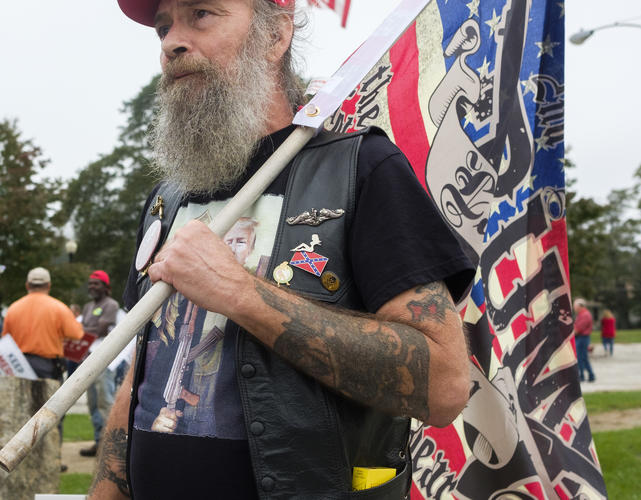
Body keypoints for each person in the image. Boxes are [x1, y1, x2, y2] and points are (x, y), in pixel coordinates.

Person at [90, 1, 475, 498]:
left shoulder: (361, 171)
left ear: (275, 36)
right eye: (164, 27)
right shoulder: (170, 198)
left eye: (201, 14)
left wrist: (242, 294)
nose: (171, 41)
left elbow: (443, 386)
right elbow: (143, 370)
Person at [2, 267, 84, 379]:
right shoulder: (59, 308)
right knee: (49, 397)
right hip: (47, 366)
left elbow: (5, 339)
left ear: (27, 285)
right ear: (48, 285)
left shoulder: (13, 308)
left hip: (19, 365)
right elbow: (77, 334)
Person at [80, 270, 120, 458]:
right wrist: (85, 331)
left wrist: (83, 331)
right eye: (90, 284)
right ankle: (99, 442)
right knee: (93, 403)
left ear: (105, 286)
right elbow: (85, 330)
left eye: (96, 284)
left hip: (104, 361)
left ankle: (111, 446)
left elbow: (101, 330)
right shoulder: (88, 306)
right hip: (87, 360)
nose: (92, 287)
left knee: (105, 402)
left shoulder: (111, 304)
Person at [574, 298, 595, 382]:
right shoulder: (582, 314)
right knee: (582, 358)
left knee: (581, 357)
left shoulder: (585, 315)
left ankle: (585, 376)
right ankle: (586, 375)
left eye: (575, 306)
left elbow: (578, 329)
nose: (574, 309)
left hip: (582, 338)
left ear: (580, 306)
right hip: (582, 338)